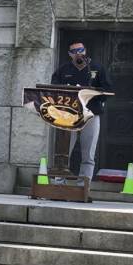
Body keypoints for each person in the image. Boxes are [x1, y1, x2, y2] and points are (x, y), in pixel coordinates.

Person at [51, 40, 112, 181]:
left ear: (85, 51)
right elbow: (53, 87)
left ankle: (83, 186)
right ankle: (59, 185)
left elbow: (108, 89)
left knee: (89, 154)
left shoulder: (97, 67)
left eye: (80, 50)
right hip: (68, 116)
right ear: (69, 54)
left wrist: (93, 94)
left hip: (91, 114)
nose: (78, 53)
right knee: (63, 152)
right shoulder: (64, 69)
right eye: (74, 51)